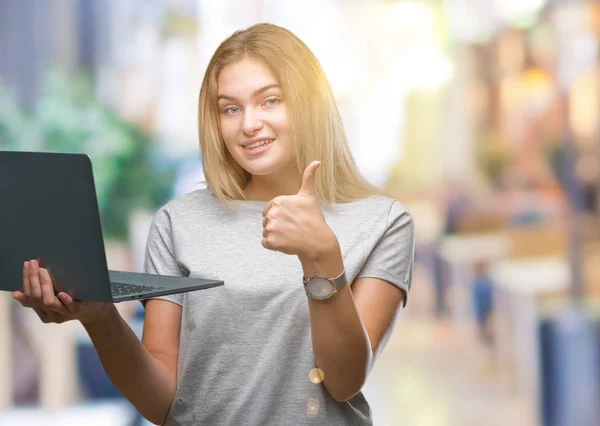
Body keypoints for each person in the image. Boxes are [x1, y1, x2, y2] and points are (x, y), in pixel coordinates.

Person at [12, 23, 415, 425]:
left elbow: (343, 381)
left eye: (270, 100)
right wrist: (99, 317)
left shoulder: (382, 222)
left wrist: (321, 256)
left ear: (310, 102)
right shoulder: (178, 222)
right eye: (231, 108)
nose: (249, 124)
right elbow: (160, 405)